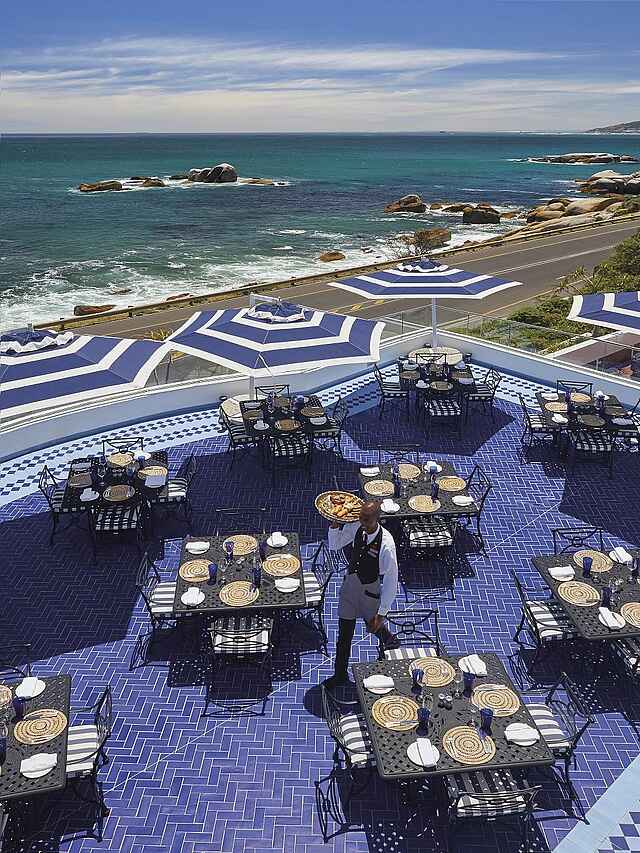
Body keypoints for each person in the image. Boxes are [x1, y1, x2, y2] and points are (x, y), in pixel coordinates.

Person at [324, 500, 399, 689]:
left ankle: (390, 641)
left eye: (366, 519)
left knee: (373, 625)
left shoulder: (386, 544)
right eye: (361, 518)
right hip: (350, 587)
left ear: (377, 518)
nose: (362, 523)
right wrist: (335, 524)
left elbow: (391, 580)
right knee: (344, 637)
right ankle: (340, 675)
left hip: (369, 591)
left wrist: (382, 613)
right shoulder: (357, 527)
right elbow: (335, 545)